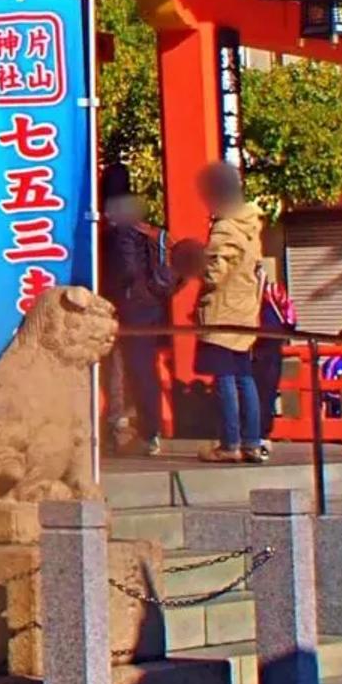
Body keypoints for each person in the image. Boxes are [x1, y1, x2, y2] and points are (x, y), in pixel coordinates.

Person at [190, 160, 272, 463]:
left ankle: (230, 443)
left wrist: (196, 264)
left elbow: (214, 274)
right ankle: (251, 441)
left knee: (224, 378)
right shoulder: (250, 225)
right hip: (245, 311)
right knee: (244, 376)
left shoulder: (225, 227)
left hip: (222, 311)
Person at [101, 191, 173, 454]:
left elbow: (127, 270)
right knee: (146, 370)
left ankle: (120, 425)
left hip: (130, 306)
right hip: (152, 307)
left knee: (121, 367)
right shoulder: (150, 231)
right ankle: (150, 430)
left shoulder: (121, 234)